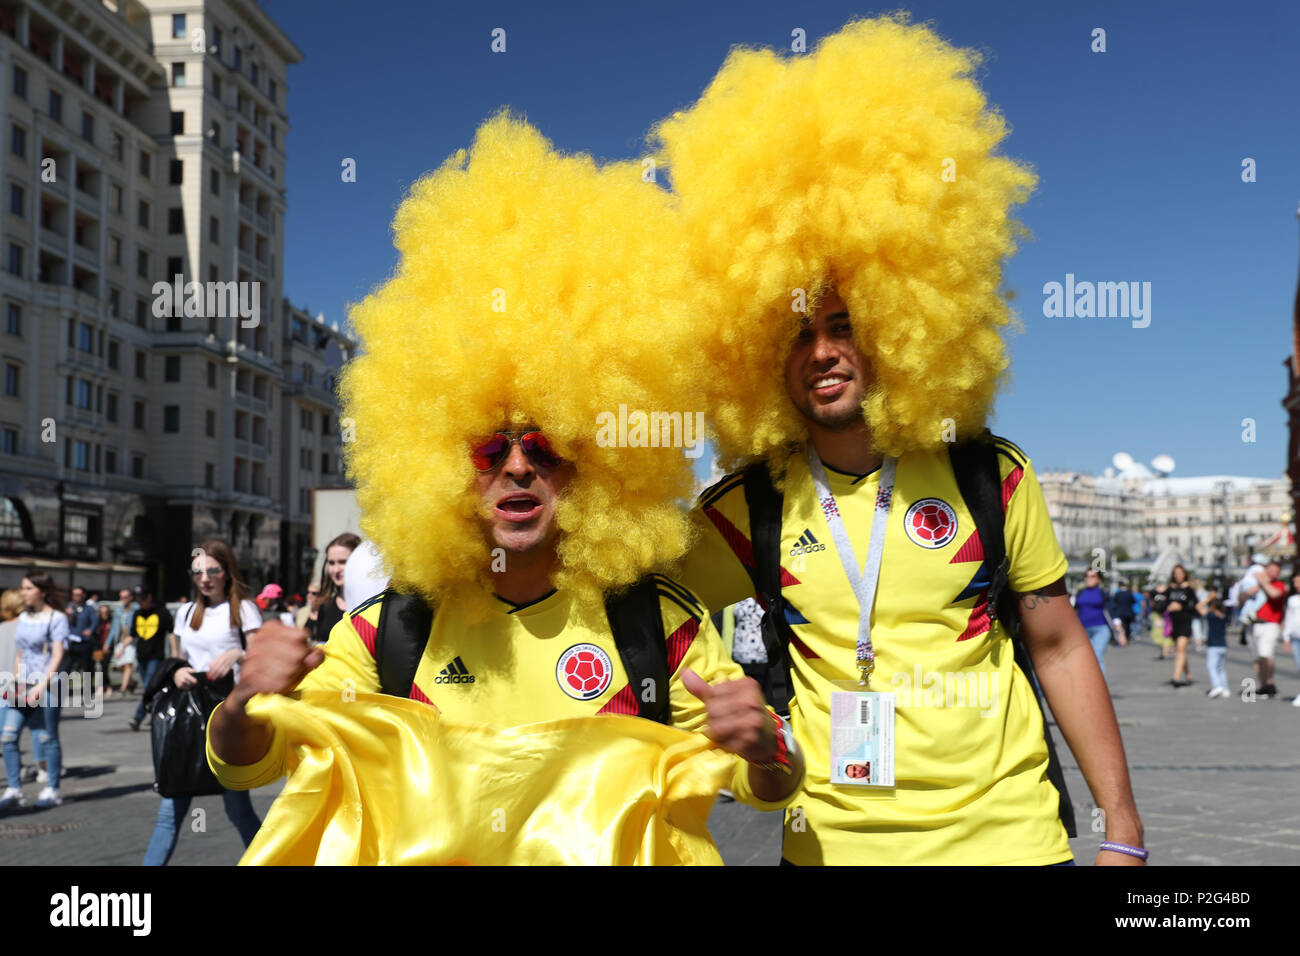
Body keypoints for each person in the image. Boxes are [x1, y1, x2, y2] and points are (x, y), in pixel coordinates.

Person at [207, 115, 804, 863]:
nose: (517, 466)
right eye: (490, 445)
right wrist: (243, 703)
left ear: (594, 463)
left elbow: (768, 788)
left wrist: (765, 747)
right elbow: (246, 761)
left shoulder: (654, 623)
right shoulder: (392, 628)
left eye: (546, 442)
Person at [656, 16, 1143, 865]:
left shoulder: (990, 473)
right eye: (797, 332)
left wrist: (1124, 832)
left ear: (901, 320)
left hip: (1010, 842)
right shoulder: (747, 509)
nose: (821, 352)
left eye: (845, 324)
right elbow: (605, 600)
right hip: (830, 848)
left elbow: (1060, 646)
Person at [142, 539, 264, 866]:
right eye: (198, 572)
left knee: (238, 809)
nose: (205, 578)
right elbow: (179, 657)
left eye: (213, 570)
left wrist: (238, 654)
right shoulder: (187, 611)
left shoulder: (244, 609)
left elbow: (260, 657)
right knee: (172, 807)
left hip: (229, 717)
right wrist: (177, 671)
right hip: (189, 715)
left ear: (227, 572)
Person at [1, 572, 70, 808]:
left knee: (47, 737)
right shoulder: (23, 617)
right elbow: (20, 653)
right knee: (8, 736)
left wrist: (42, 685)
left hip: (48, 684)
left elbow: (58, 654)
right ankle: (14, 789)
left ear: (42, 591)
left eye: (28, 588)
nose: (23, 593)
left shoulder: (57, 618)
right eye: (23, 588)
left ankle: (52, 788)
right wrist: (16, 679)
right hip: (23, 684)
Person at [127, 590, 173, 731]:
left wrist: (176, 653)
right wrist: (121, 648)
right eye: (137, 600)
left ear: (149, 597)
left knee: (148, 687)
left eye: (142, 599)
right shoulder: (137, 613)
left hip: (156, 657)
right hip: (141, 657)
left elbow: (171, 633)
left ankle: (138, 717)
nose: (140, 603)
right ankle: (156, 714)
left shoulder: (161, 612)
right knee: (154, 690)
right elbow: (133, 634)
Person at [310, 533, 360, 644]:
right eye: (331, 563)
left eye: (343, 562)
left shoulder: (373, 605)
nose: (336, 570)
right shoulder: (324, 605)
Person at [1248, 561, 1287, 699]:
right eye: (1271, 570)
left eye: (1276, 572)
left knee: (1266, 654)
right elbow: (1241, 597)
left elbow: (1274, 594)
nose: (1273, 574)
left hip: (1271, 624)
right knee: (1257, 657)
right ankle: (1263, 685)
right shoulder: (1254, 584)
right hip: (1253, 624)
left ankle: (1270, 682)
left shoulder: (1279, 584)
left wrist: (1262, 581)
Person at [1076, 569, 1123, 679]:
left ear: (1099, 579)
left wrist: (1120, 631)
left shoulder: (1103, 593)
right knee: (1082, 659)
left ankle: (1100, 689)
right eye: (1087, 576)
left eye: (1093, 576)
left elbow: (1112, 611)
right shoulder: (1080, 593)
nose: (1089, 578)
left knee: (1097, 656)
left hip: (1100, 628)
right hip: (1082, 630)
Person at [1166, 565, 1198, 687]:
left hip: (1185, 621)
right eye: (1176, 573)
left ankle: (1176, 677)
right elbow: (1162, 602)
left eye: (1180, 573)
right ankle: (1188, 674)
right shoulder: (1171, 589)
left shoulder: (1189, 590)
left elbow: (1194, 606)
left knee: (1180, 648)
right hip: (1174, 623)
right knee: (1181, 650)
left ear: (1184, 574)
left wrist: (1181, 607)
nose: (1178, 575)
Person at [1200, 593, 1230, 698]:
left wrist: (1207, 599)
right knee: (1221, 668)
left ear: (1212, 606)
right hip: (1223, 645)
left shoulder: (1211, 616)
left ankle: (1217, 686)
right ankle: (1225, 689)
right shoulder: (1224, 616)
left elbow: (1198, 607)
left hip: (1213, 646)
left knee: (1211, 667)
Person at [64, 586, 96, 681]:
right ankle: (61, 689)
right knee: (67, 667)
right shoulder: (70, 607)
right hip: (71, 642)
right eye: (74, 595)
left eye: (79, 595)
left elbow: (94, 621)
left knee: (86, 667)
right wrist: (67, 614)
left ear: (84, 595)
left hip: (84, 642)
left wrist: (90, 630)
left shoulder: (89, 608)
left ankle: (88, 689)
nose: (76, 597)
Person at [1284, 573, 1300, 706]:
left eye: (1298, 582)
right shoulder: (1292, 600)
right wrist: (1286, 637)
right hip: (1295, 638)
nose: (1296, 585)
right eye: (1295, 582)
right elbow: (1288, 619)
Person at [1110, 580, 1135, 645]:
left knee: (1122, 626)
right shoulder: (1129, 593)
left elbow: (1114, 603)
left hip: (1120, 612)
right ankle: (1127, 637)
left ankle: (1122, 638)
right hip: (1128, 612)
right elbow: (1133, 601)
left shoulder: (1118, 594)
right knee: (1128, 626)